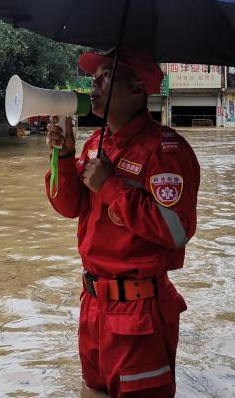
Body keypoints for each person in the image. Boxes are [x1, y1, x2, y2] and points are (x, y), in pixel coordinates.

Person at [45, 47, 199, 397]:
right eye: (93, 76)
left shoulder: (166, 150)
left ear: (138, 89)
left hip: (139, 314)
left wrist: (111, 187)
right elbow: (68, 207)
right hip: (94, 305)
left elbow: (176, 231)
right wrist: (64, 156)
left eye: (106, 75)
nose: (93, 84)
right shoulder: (96, 144)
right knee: (93, 390)